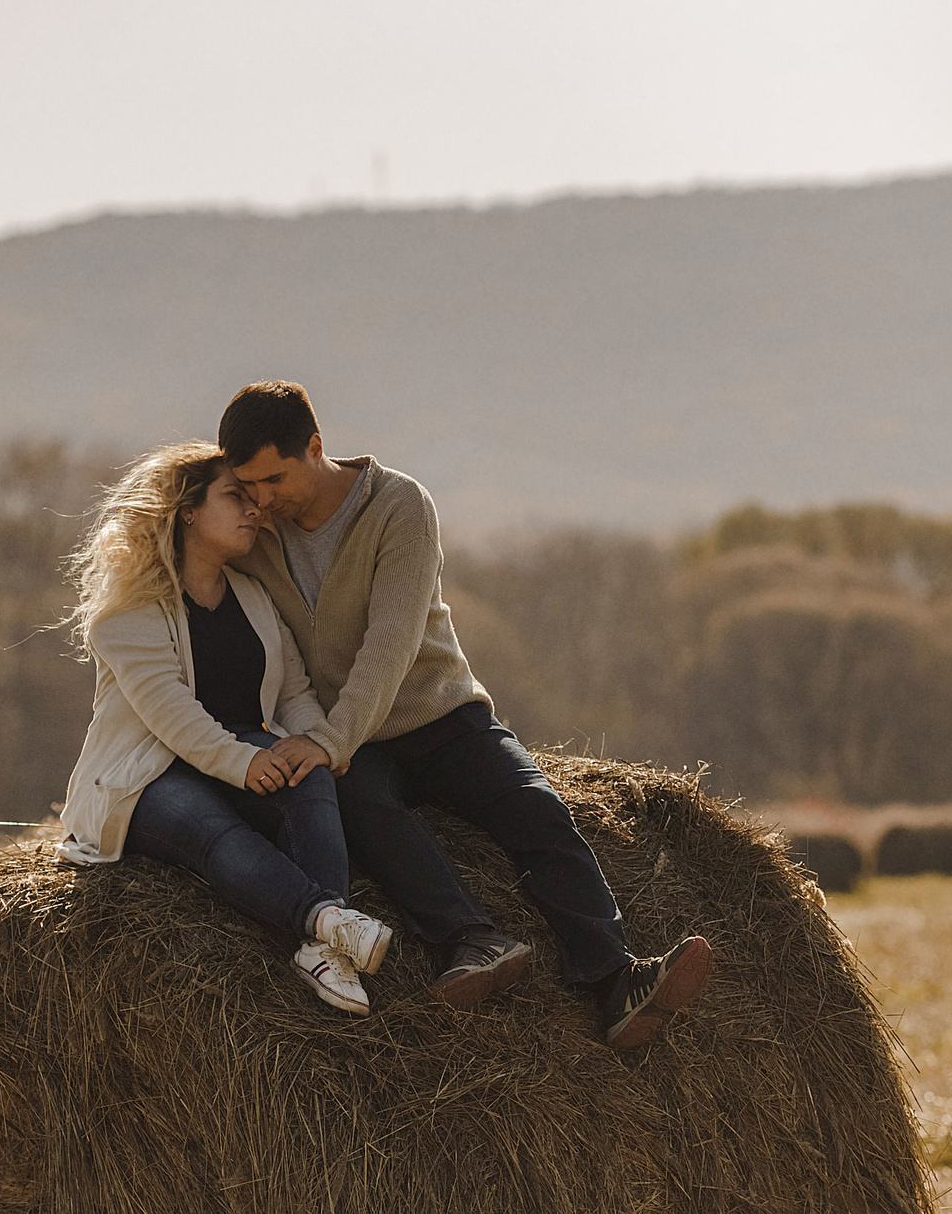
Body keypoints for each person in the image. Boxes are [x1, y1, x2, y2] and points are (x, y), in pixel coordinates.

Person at [216, 381, 713, 1050]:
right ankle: (474, 939)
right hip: (358, 742)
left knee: (535, 809)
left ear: (316, 446)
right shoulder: (258, 532)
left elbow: (389, 644)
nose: (264, 498)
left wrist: (328, 739)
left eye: (274, 478)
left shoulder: (399, 505)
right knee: (367, 816)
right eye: (249, 486)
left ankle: (615, 977)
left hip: (440, 714)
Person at [56, 441, 393, 1016]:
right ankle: (327, 919)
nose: (254, 510)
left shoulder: (253, 597)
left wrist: (318, 742)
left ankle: (323, 954)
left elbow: (293, 693)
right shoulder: (130, 611)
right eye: (234, 497)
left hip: (234, 754)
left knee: (308, 773)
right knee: (206, 826)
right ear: (188, 510)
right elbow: (170, 713)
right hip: (144, 771)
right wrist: (243, 762)